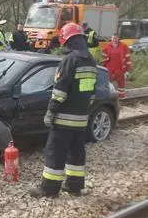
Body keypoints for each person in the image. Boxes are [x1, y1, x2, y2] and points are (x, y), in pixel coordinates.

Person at [29, 23, 97, 199]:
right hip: (81, 120)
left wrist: (51, 111)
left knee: (55, 152)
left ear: (69, 40)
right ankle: (74, 186)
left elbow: (60, 91)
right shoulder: (90, 60)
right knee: (76, 153)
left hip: (64, 120)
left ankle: (48, 190)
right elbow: (91, 92)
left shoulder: (70, 60)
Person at [102, 34, 132, 99]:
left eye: (116, 38)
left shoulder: (124, 46)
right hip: (110, 67)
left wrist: (127, 70)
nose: (114, 40)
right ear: (111, 39)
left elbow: (128, 58)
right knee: (107, 83)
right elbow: (104, 57)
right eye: (113, 38)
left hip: (120, 68)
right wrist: (104, 67)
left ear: (118, 39)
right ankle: (108, 97)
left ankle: (121, 98)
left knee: (121, 83)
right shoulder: (108, 46)